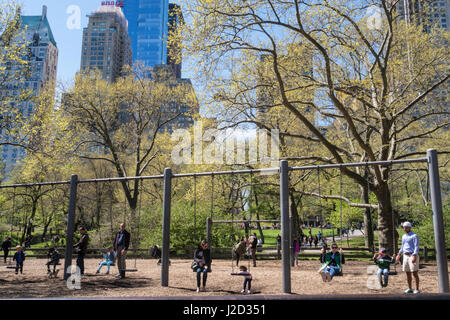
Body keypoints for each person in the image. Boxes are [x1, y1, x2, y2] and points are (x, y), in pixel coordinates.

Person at [396, 221, 420, 294]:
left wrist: (414, 255)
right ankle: (410, 288)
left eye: (407, 227)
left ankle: (417, 289)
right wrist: (399, 254)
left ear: (410, 227)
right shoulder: (403, 236)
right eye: (404, 227)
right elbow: (403, 246)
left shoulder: (414, 236)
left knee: (414, 273)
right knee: (407, 273)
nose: (405, 228)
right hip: (405, 256)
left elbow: (416, 246)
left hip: (412, 255)